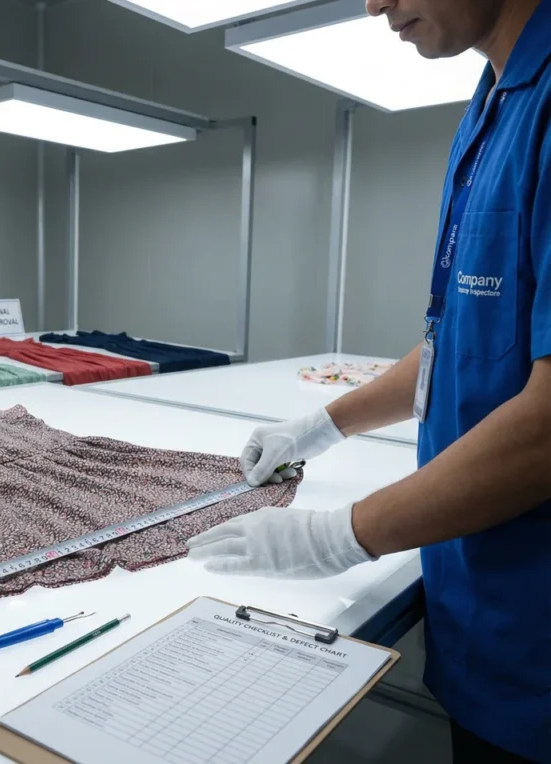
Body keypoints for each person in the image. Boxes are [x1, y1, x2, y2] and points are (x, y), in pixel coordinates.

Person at [186, 1, 551, 761]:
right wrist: (322, 426)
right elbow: (459, 338)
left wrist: (339, 535)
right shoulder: (492, 101)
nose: (373, 2)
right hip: (481, 609)